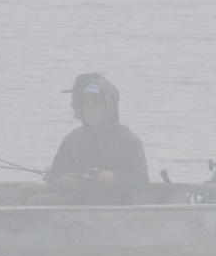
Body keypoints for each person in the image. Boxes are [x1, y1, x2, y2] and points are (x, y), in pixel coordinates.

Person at [26, 73, 149, 205]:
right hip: (78, 201)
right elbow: (54, 178)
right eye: (87, 106)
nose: (91, 111)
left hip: (117, 205)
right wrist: (63, 181)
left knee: (33, 201)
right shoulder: (72, 139)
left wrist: (115, 178)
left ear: (109, 108)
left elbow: (142, 182)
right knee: (33, 200)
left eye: (97, 105)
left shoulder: (128, 139)